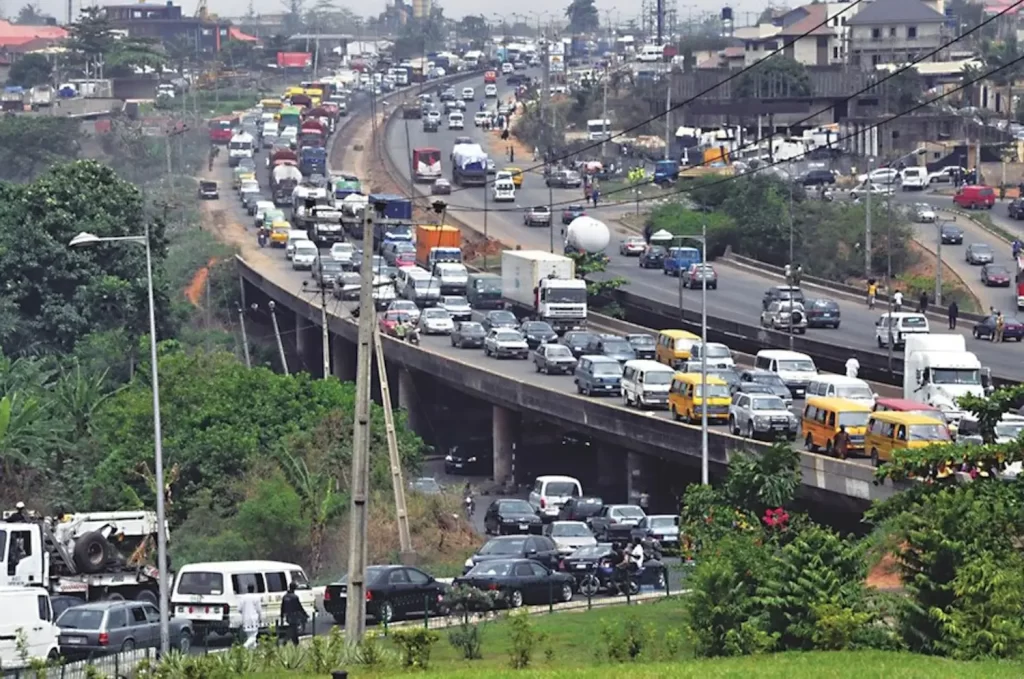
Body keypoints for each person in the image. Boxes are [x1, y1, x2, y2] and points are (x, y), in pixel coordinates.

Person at [279, 582, 307, 646]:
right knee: (294, 630)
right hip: (294, 615)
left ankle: (291, 641)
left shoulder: (285, 596)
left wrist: (282, 615)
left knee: (292, 628)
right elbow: (299, 607)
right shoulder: (294, 597)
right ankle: (291, 641)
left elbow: (282, 606)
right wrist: (304, 614)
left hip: (288, 615)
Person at [238, 584, 263, 649]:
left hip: (245, 619)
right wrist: (260, 618)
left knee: (249, 636)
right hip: (254, 618)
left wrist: (244, 613)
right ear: (253, 589)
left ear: (247, 589)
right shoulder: (256, 597)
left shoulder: (243, 597)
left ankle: (252, 652)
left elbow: (239, 609)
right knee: (253, 636)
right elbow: (259, 609)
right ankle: (245, 646)